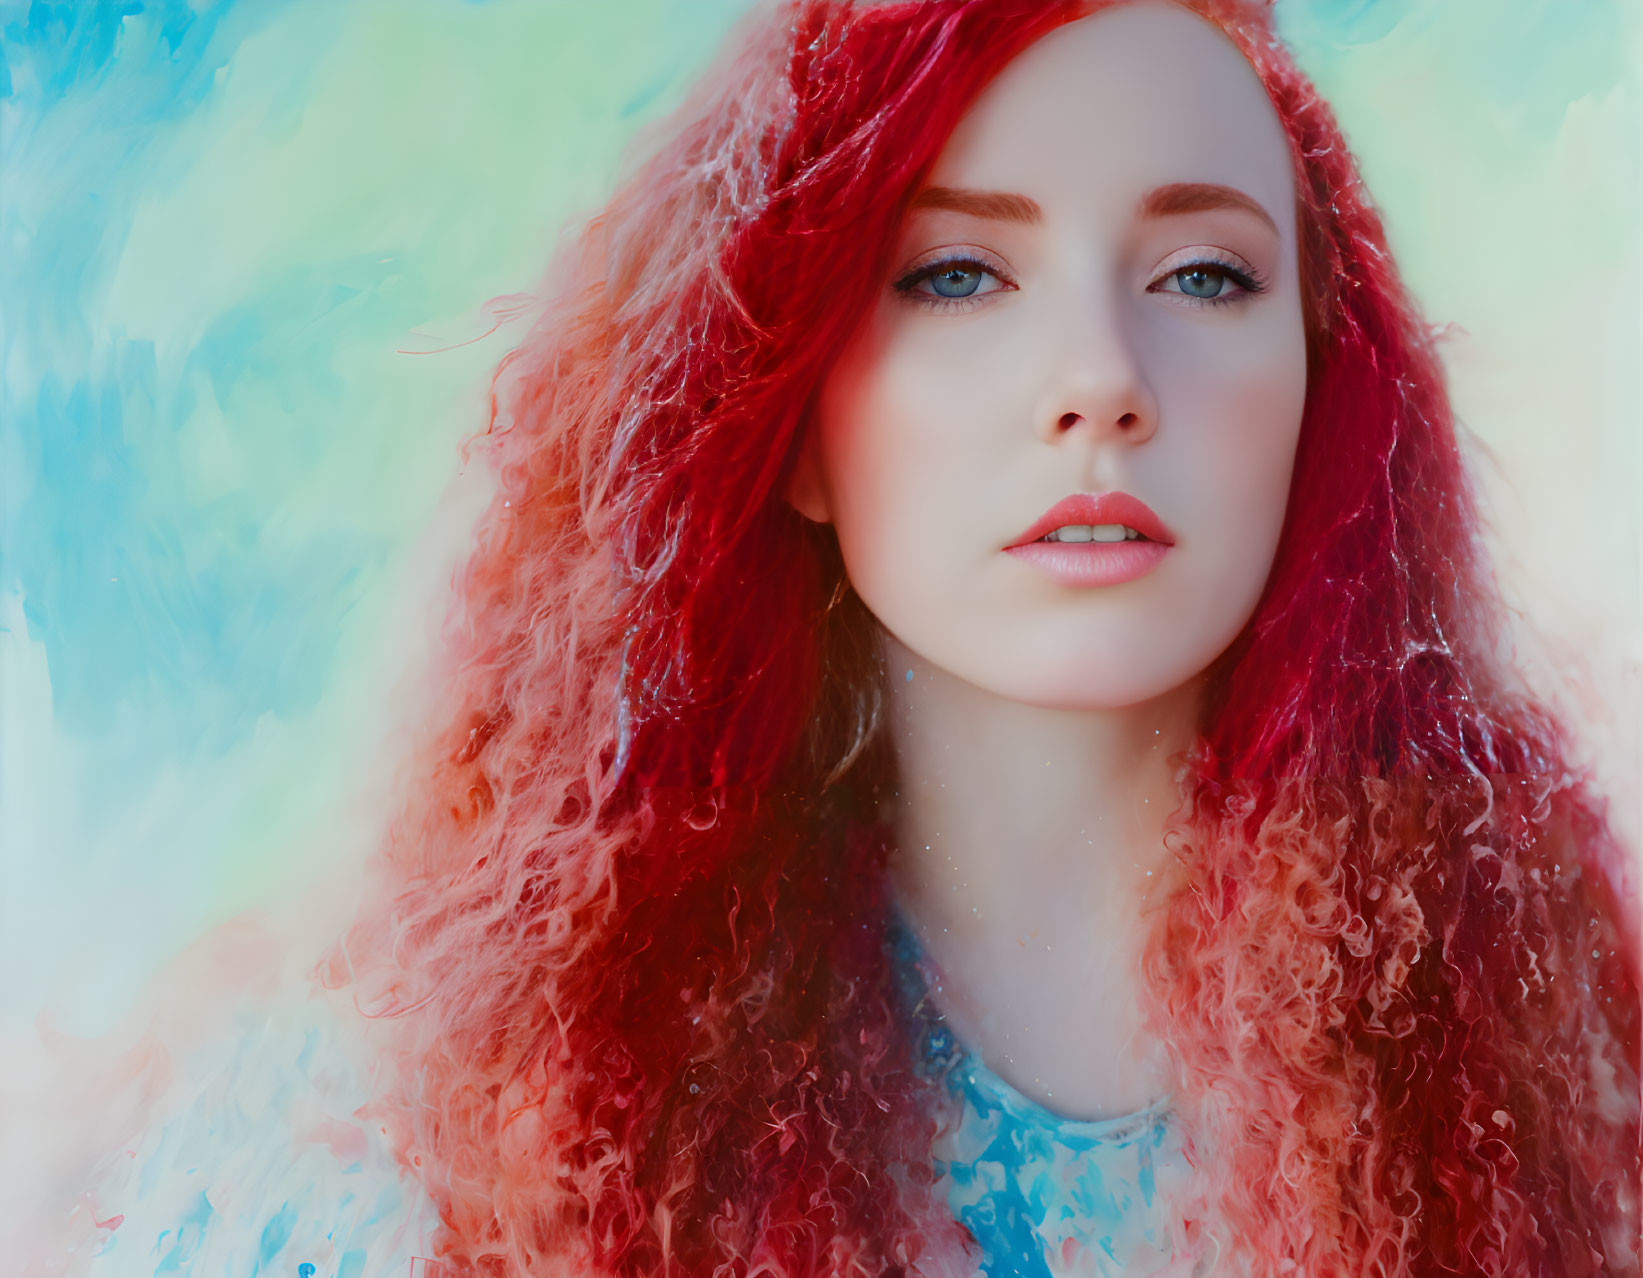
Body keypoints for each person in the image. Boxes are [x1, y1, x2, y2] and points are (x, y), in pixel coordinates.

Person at [104, 0, 1629, 1275]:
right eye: (958, 274)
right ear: (793, 420)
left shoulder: (1560, 1059)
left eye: (1205, 275)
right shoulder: (432, 1108)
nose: (1100, 378)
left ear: (1326, 390)